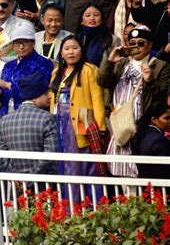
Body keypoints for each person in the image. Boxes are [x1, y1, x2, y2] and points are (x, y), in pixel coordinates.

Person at [98, 24, 170, 178]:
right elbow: (103, 81)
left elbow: (162, 95)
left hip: (141, 127)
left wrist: (150, 79)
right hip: (119, 125)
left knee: (139, 170)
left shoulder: (160, 66)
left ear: (150, 44)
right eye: (132, 43)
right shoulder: (120, 63)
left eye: (141, 43)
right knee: (116, 167)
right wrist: (110, 61)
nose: (136, 46)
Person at [49, 35, 106, 199]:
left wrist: (100, 126)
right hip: (61, 120)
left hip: (82, 118)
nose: (71, 52)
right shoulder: (56, 72)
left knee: (85, 164)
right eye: (67, 49)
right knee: (65, 164)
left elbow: (97, 98)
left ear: (81, 50)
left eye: (75, 48)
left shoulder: (89, 70)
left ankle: (90, 204)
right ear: (61, 53)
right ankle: (69, 205)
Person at [0, 72, 58, 175]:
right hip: (45, 185)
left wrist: (18, 178)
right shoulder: (47, 118)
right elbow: (50, 154)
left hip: (18, 187)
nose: (50, 97)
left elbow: (0, 156)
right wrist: (30, 177)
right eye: (46, 93)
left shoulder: (5, 120)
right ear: (34, 97)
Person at [0, 20, 54, 116]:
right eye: (17, 43)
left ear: (33, 43)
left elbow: (37, 91)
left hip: (31, 116)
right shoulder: (9, 65)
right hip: (7, 115)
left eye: (25, 42)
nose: (21, 46)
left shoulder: (43, 63)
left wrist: (8, 85)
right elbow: (1, 87)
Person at [131, 101, 170, 179]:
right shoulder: (159, 140)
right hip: (159, 187)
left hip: (144, 186)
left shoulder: (141, 135)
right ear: (154, 119)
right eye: (167, 118)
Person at [75, 3, 120, 68]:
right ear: (81, 21)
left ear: (102, 20)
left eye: (96, 15)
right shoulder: (75, 39)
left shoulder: (113, 40)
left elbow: (116, 68)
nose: (92, 18)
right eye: (88, 15)